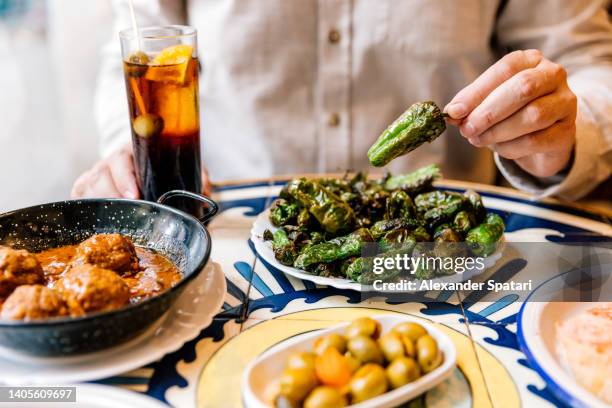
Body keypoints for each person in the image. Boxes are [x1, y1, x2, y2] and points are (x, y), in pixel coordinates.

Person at [72, 0, 612, 201]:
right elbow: (140, 44)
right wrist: (130, 148)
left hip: (442, 253)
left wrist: (562, 131)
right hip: (234, 229)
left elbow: (588, 61)